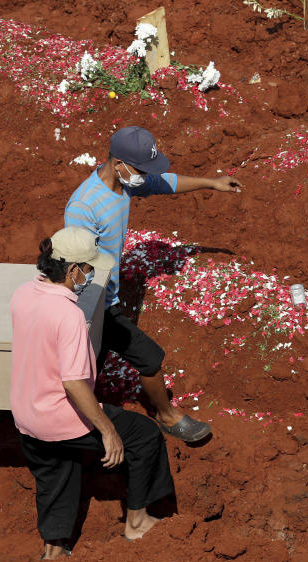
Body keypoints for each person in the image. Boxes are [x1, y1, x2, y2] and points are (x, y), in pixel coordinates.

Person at [64, 126, 242, 443]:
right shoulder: (84, 208)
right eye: (141, 170)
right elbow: (76, 269)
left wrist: (211, 183)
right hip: (94, 301)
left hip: (109, 297)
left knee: (92, 364)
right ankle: (166, 416)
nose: (145, 177)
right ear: (118, 163)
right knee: (147, 358)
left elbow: (164, 183)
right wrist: (94, 312)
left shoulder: (125, 184)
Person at [9, 227, 175, 559]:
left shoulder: (23, 293)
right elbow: (73, 383)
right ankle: (137, 522)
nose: (90, 275)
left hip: (26, 414)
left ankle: (54, 550)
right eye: (88, 268)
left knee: (56, 467)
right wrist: (108, 430)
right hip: (60, 415)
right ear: (72, 270)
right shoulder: (69, 316)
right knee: (143, 435)